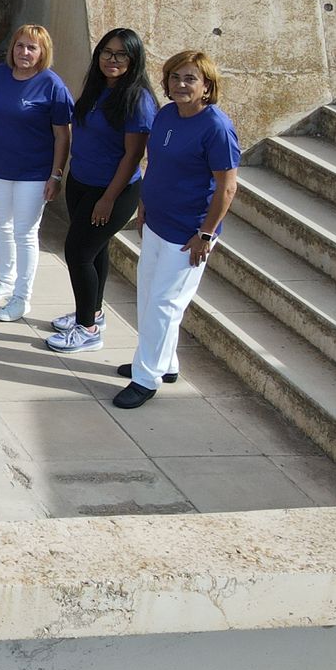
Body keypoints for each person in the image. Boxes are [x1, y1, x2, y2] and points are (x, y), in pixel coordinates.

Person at [113, 51, 240, 409]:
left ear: (207, 87)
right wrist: (144, 202)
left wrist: (205, 234)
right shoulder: (167, 114)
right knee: (148, 296)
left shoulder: (216, 127)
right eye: (174, 77)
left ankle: (146, 378)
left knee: (164, 305)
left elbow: (227, 187)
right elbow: (155, 162)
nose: (181, 84)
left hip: (188, 235)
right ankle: (163, 362)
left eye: (190, 79)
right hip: (157, 221)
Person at [49, 28, 156, 355]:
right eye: (107, 52)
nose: (112, 59)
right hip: (81, 181)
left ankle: (87, 331)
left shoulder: (137, 100)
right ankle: (92, 312)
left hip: (112, 191)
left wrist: (108, 199)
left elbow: (133, 156)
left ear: (134, 59)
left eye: (121, 54)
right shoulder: (98, 88)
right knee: (95, 251)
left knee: (77, 253)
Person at [0, 24, 75, 322]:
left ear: (43, 52)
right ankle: (5, 281)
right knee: (2, 226)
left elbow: (63, 135)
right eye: (20, 45)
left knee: (25, 233)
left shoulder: (52, 85)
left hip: (33, 173)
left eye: (32, 47)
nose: (24, 52)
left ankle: (22, 297)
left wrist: (56, 175)